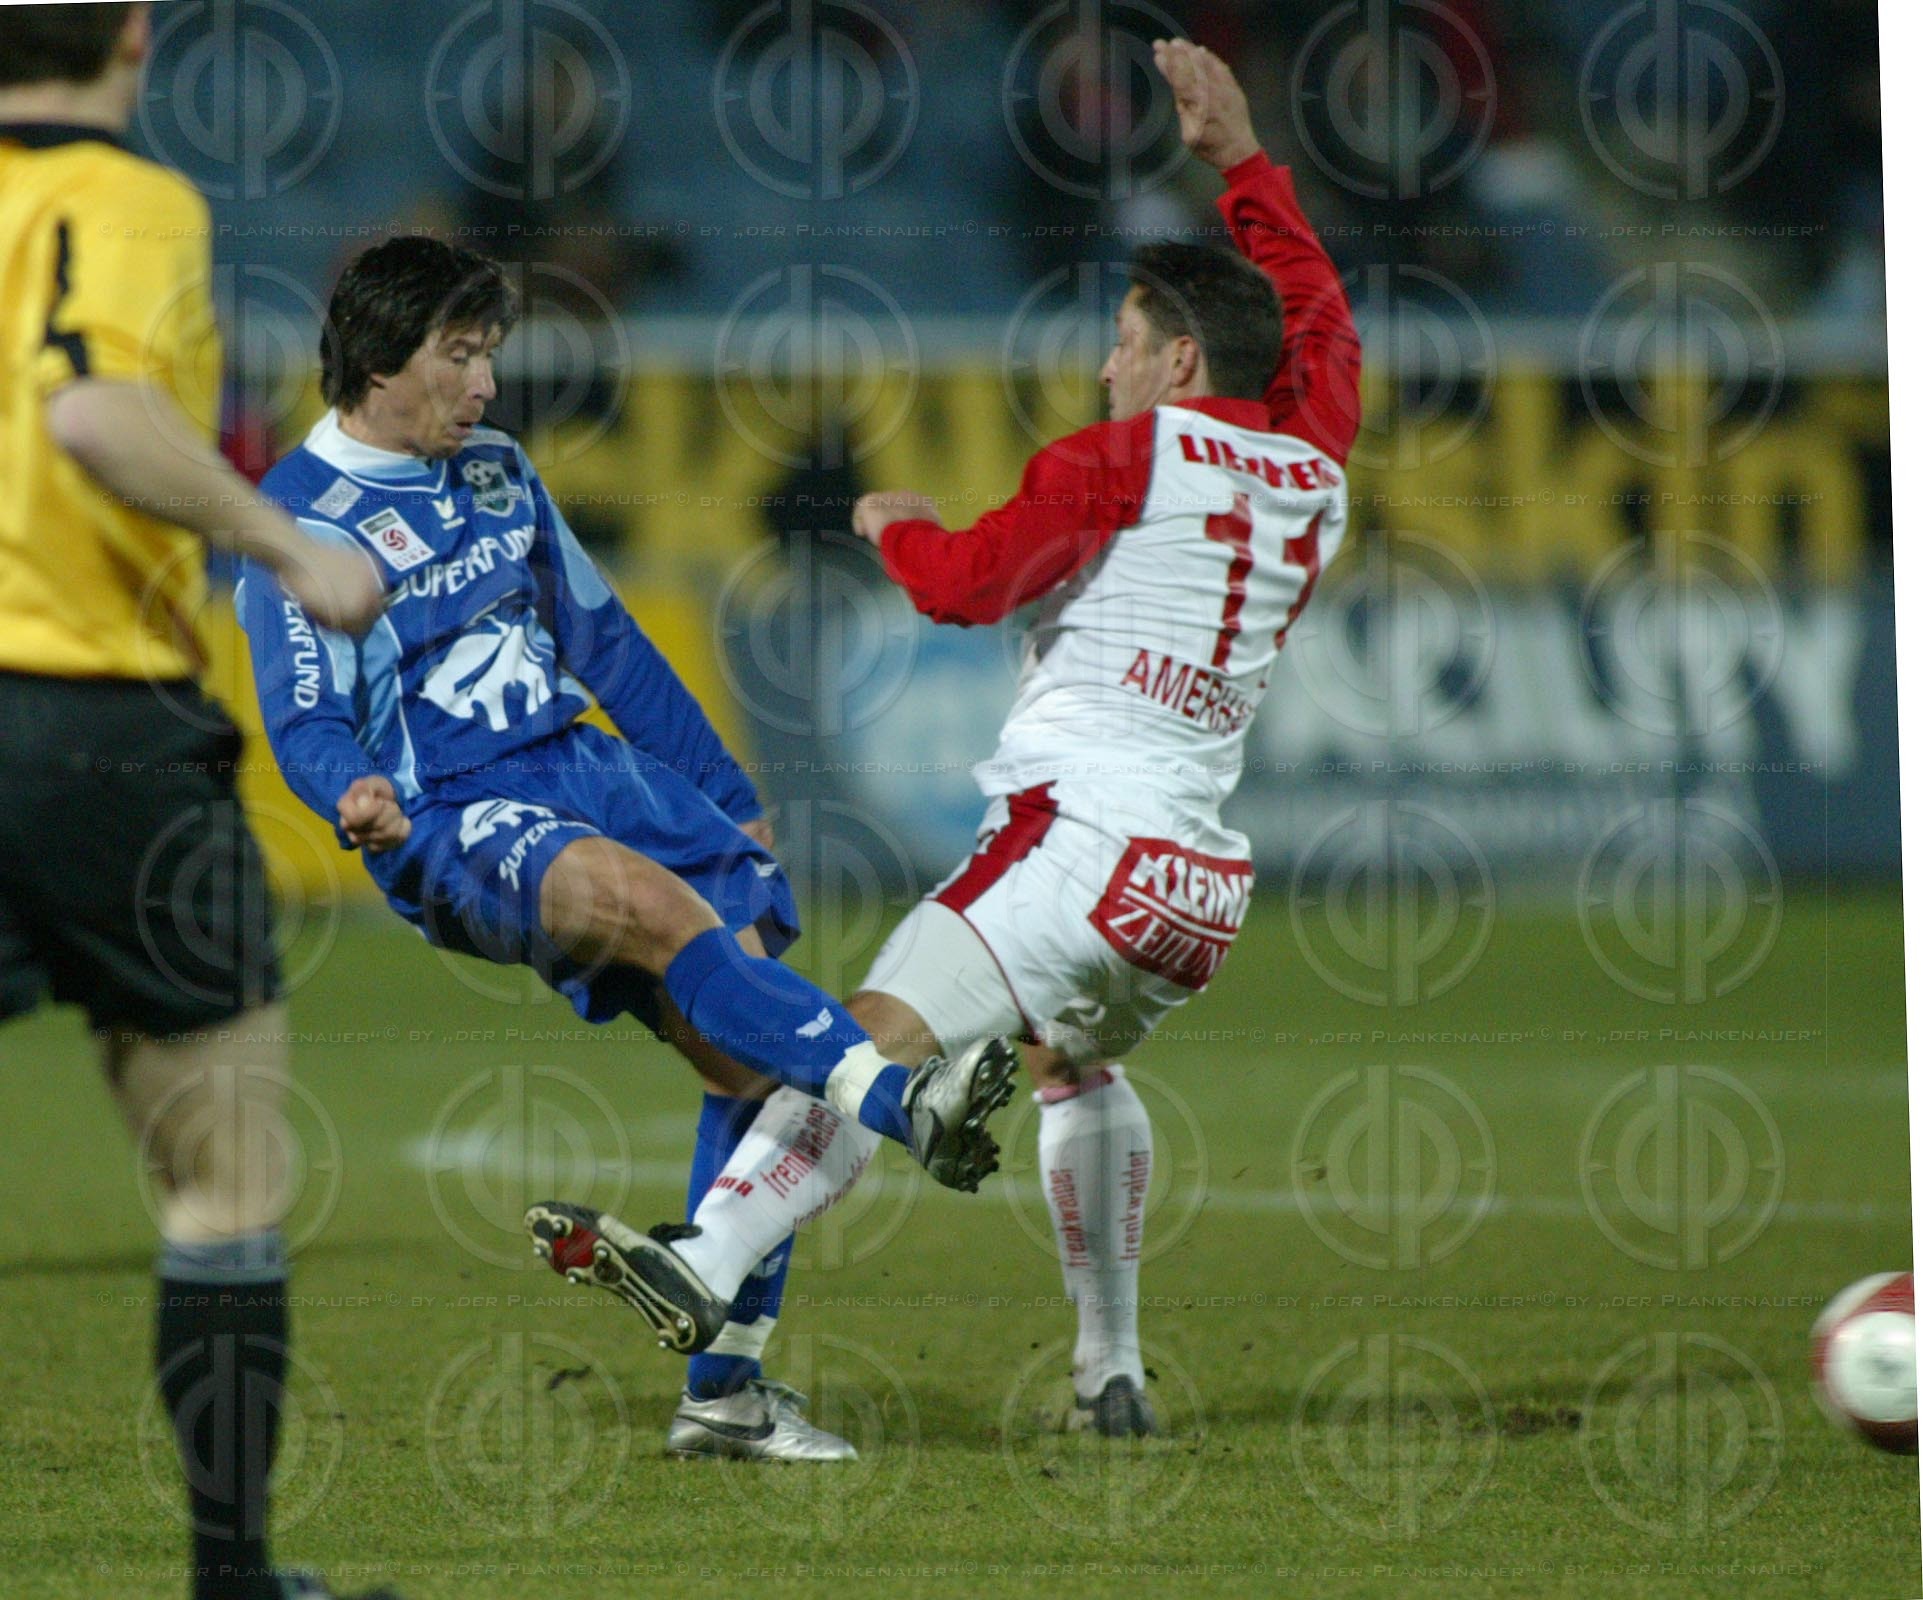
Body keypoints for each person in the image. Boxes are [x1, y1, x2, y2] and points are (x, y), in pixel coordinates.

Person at [533, 38, 1360, 1440]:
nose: (1105, 363)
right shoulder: (1315, 460)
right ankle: (1110, 1371)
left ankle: (708, 1257)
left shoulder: (1123, 455)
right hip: (1190, 889)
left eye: (1123, 340)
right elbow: (1323, 322)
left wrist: (893, 525)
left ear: (1178, 357)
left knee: (857, 1043)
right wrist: (1241, 161)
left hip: (1073, 843)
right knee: (1074, 1068)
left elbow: (967, 586)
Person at [239, 234, 1018, 1459]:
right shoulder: (299, 514)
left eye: (491, 354)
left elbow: (603, 639)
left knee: (750, 1053)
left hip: (586, 765)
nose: (487, 383)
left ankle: (726, 1395)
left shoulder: (497, 467)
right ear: (381, 361)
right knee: (649, 907)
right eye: (461, 355)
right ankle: (899, 1099)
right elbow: (301, 714)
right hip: (453, 810)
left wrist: (721, 786)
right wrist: (354, 791)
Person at [0, 7, 400, 1596]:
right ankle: (230, 1579)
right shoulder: (128, 199)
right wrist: (290, 547)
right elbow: (93, 407)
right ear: (136, 36)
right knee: (224, 1173)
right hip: (92, 723)